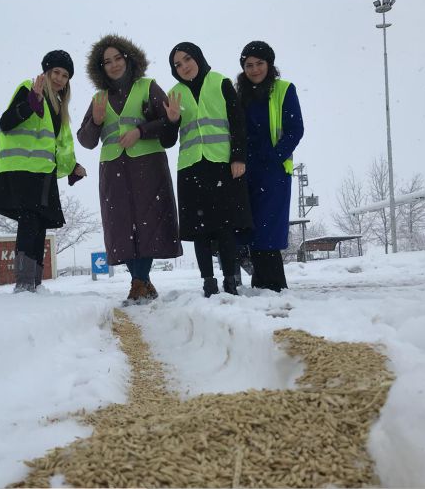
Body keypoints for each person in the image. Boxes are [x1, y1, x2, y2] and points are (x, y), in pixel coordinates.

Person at [77, 34, 182, 304]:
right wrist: (96, 122)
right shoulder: (99, 97)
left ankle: (139, 281)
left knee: (148, 222)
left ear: (128, 58)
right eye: (107, 61)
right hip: (113, 169)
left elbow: (167, 123)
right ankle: (142, 281)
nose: (113, 64)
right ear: (100, 68)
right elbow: (86, 140)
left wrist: (141, 130)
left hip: (148, 166)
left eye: (117, 58)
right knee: (121, 225)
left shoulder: (148, 86)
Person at [0, 50, 86, 293]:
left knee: (40, 223)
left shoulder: (60, 107)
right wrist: (31, 102)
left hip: (44, 172)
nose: (60, 78)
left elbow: (57, 144)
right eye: (56, 72)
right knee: (30, 220)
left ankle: (35, 283)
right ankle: (23, 284)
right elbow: (6, 122)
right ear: (46, 71)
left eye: (65, 75)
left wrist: (72, 167)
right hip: (23, 170)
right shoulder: (29, 89)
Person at [164, 42, 252, 297]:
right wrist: (170, 120)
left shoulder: (220, 82)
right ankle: (208, 281)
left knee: (225, 226)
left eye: (187, 59)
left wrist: (238, 157)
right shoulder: (174, 93)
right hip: (191, 166)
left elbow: (238, 123)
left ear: (198, 58)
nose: (183, 66)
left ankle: (230, 280)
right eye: (177, 64)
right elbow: (168, 140)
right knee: (200, 228)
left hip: (221, 164)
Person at [236, 41, 304, 292]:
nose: (254, 70)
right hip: (244, 170)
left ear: (269, 64)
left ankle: (273, 285)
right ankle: (260, 285)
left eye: (259, 64)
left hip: (274, 171)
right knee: (250, 227)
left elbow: (295, 130)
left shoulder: (284, 89)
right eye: (248, 65)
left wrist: (274, 156)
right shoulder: (239, 94)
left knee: (268, 229)